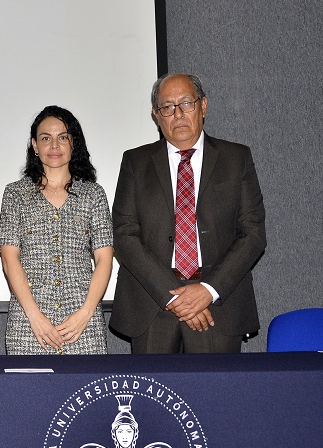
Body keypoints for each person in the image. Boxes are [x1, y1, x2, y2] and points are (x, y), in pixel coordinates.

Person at [111, 73, 266, 353]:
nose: (178, 114)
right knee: (151, 396)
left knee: (214, 396)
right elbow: (124, 236)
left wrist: (207, 290)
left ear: (203, 106)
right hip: (153, 303)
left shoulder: (236, 158)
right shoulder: (135, 162)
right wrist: (174, 297)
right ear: (156, 116)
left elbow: (253, 235)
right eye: (167, 107)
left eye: (186, 103)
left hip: (218, 306)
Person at [0, 106, 113, 355]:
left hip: (83, 324)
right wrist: (35, 316)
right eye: (45, 138)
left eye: (63, 137)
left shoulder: (93, 194)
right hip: (29, 326)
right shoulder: (15, 194)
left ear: (74, 143)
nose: (54, 145)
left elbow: (104, 259)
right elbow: (9, 259)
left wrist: (86, 312)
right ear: (35, 146)